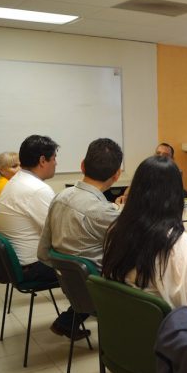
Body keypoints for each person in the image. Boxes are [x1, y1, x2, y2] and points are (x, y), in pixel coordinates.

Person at [102, 155, 187, 318]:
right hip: (166, 327)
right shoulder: (175, 242)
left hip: (128, 322)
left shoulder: (116, 229)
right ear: (175, 195)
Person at [37, 138, 124, 339]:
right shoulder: (102, 213)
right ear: (117, 175)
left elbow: (43, 251)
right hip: (100, 288)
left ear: (82, 165)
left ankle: (68, 321)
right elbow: (141, 242)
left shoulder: (60, 197)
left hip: (72, 283)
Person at [0, 135, 58, 284]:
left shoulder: (16, 180)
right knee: (94, 262)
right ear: (42, 161)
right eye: (54, 158)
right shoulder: (37, 189)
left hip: (17, 265)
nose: (56, 163)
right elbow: (59, 234)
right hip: (34, 267)